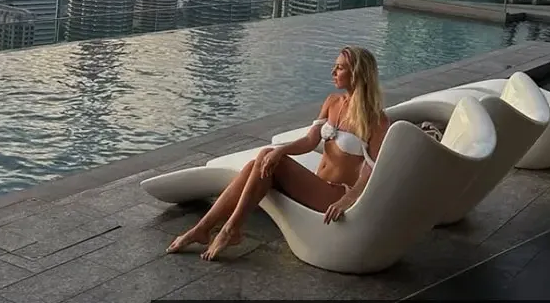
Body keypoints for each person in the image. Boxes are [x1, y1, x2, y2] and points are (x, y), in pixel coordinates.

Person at [166, 45, 390, 261]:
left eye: (339, 67)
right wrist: (281, 150)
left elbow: (372, 169)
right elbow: (310, 141)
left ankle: (230, 229)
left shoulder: (376, 120)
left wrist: (347, 200)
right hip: (317, 184)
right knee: (259, 163)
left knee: (270, 158)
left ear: (357, 73)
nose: (333, 72)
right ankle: (203, 228)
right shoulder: (333, 102)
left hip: (337, 195)